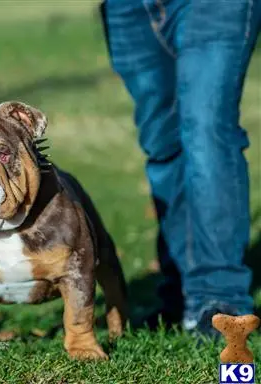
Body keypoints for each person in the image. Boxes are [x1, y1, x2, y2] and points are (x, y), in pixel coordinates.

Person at [100, 0, 261, 336]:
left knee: (208, 133)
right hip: (127, 8)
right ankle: (183, 292)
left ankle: (221, 299)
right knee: (161, 143)